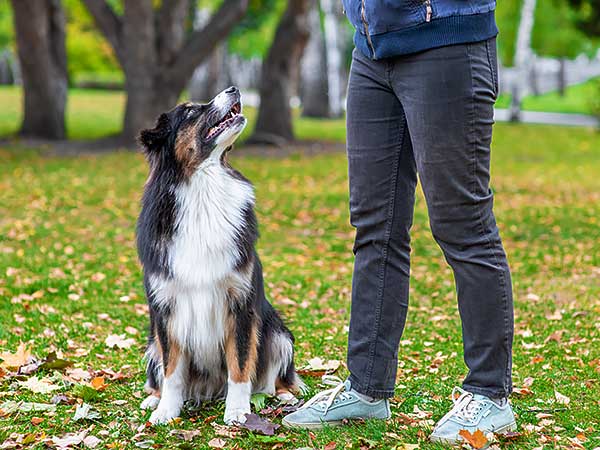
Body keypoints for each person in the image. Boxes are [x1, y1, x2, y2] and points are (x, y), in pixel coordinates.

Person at [282, 0, 516, 444]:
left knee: (462, 224)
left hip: (448, 39)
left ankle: (490, 394)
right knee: (375, 226)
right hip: (371, 50)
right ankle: (366, 387)